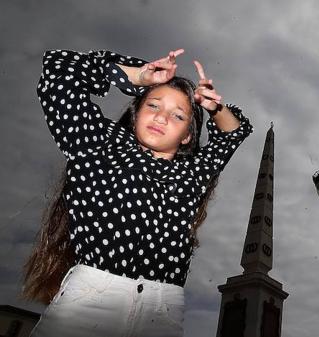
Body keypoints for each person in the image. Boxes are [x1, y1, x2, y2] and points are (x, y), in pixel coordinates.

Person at [22, 48, 253, 336]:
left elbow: (234, 133)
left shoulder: (194, 173)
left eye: (178, 115)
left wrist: (214, 107)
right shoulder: (96, 144)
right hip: (90, 303)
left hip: (162, 313)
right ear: (136, 113)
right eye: (153, 105)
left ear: (187, 135)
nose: (162, 118)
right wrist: (139, 76)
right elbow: (58, 70)